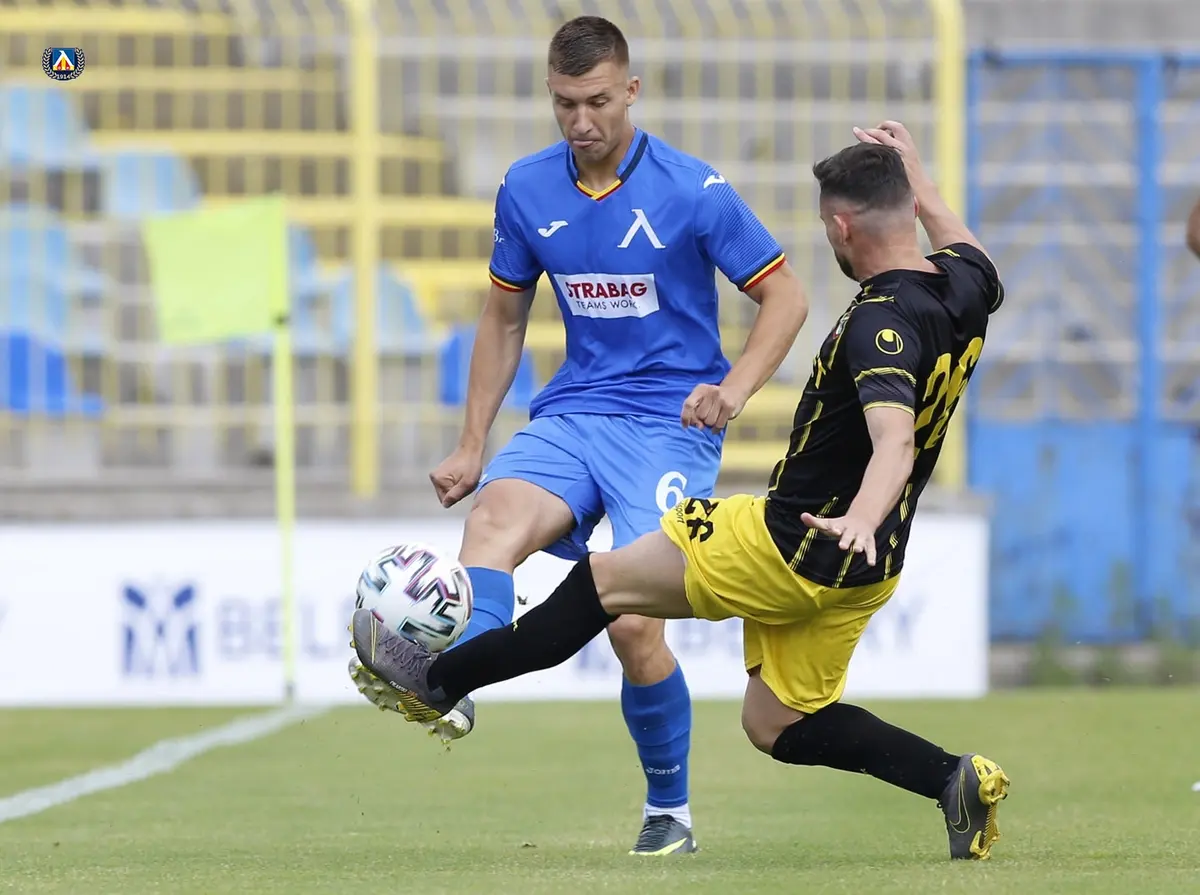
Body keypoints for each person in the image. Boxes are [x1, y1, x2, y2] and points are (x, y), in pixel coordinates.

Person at [350, 123, 1012, 861]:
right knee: (777, 724)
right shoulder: (964, 286)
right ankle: (951, 778)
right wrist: (922, 182)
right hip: (868, 568)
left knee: (603, 584)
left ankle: (438, 681)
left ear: (839, 227)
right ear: (910, 206)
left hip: (793, 541)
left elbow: (893, 443)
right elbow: (965, 246)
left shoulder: (876, 323)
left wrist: (858, 514)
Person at [349, 15, 808, 856]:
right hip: (573, 413)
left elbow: (787, 296)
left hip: (667, 427)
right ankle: (455, 684)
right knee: (491, 521)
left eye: (597, 101)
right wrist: (471, 443)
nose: (581, 120)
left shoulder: (693, 189)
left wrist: (735, 389)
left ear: (631, 90)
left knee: (633, 624)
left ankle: (670, 809)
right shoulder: (526, 188)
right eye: (565, 103)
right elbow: (504, 317)